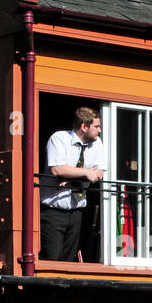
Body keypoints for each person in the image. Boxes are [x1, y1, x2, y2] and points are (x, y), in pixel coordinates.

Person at [39, 106, 105, 260]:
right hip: (53, 211)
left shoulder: (97, 143)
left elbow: (99, 173)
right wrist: (86, 173)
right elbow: (57, 169)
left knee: (68, 259)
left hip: (77, 211)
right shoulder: (59, 138)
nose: (100, 130)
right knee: (52, 257)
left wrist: (69, 176)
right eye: (96, 126)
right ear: (84, 126)